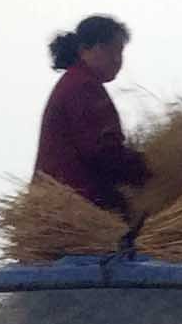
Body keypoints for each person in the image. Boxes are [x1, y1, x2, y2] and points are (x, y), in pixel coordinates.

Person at [35, 14, 149, 217]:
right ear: (84, 49)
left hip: (61, 201)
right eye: (109, 50)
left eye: (120, 52)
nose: (116, 59)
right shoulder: (82, 86)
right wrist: (149, 169)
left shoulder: (75, 82)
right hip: (77, 202)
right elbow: (102, 151)